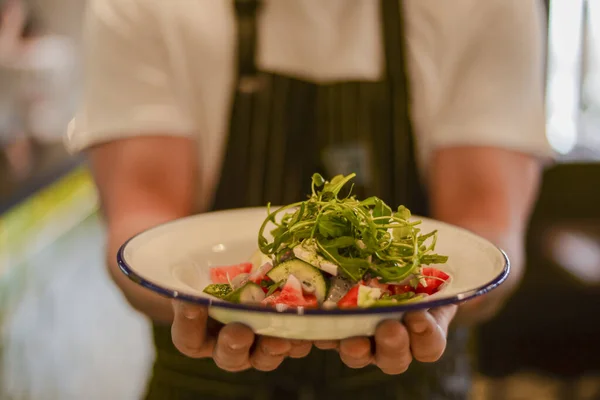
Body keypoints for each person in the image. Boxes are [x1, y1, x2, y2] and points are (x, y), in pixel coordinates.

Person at [66, 0, 552, 398]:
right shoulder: (145, 8)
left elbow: (484, 226)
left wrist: (432, 301)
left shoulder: (486, 8)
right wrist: (200, 303)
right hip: (204, 382)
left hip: (410, 382)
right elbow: (141, 221)